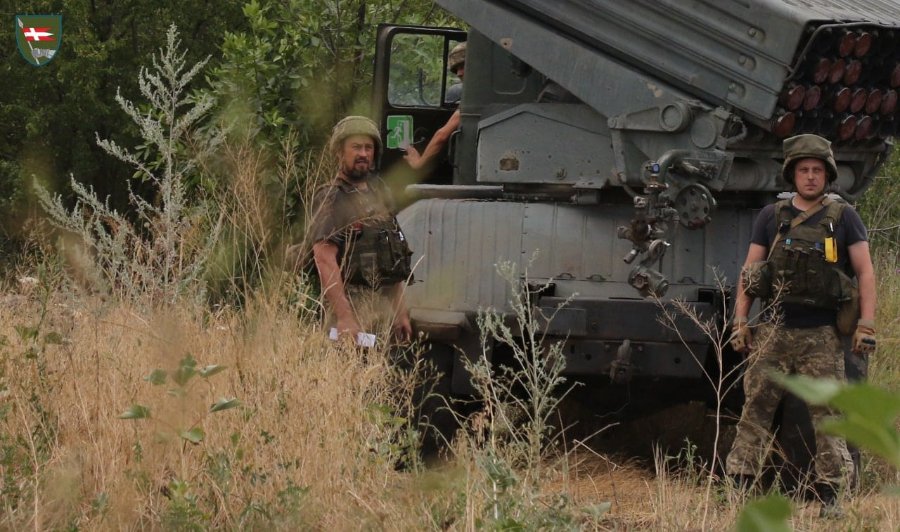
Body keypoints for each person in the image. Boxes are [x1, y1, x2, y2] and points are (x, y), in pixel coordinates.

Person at [726, 134, 877, 517]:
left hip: (821, 334)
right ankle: (738, 486)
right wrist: (740, 320)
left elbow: (865, 272)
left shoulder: (844, 217)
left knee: (827, 415)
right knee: (755, 410)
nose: (810, 176)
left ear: (828, 175)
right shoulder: (771, 216)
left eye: (817, 170)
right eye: (804, 170)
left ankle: (831, 496)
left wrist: (867, 325)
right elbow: (750, 271)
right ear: (792, 174)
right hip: (774, 329)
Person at [308, 115, 413, 343]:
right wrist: (344, 317)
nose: (363, 154)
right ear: (339, 152)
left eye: (368, 147)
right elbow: (324, 259)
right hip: (348, 311)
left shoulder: (379, 192)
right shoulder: (331, 197)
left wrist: (400, 310)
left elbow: (391, 257)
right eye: (356, 147)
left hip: (381, 313)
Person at [404, 41, 465, 171]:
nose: (459, 73)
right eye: (457, 69)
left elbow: (442, 136)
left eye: (463, 66)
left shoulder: (478, 95)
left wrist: (419, 163)